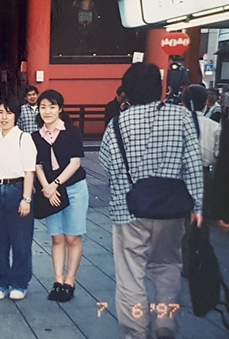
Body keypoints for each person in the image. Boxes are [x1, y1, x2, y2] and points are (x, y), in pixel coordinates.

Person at [98, 62, 203, 339]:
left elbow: (105, 163)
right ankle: (165, 324)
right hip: (171, 209)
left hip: (128, 209)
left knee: (131, 275)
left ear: (128, 92)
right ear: (159, 89)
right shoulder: (181, 118)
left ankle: (136, 332)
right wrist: (199, 205)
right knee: (168, 268)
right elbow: (193, 163)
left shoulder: (118, 122)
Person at [31, 89, 88, 303]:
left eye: (52, 107)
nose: (47, 111)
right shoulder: (35, 137)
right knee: (56, 237)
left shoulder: (72, 132)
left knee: (72, 237)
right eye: (43, 107)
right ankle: (57, 280)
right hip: (50, 191)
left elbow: (76, 163)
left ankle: (70, 280)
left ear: (60, 109)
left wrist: (54, 185)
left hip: (73, 188)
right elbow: (36, 165)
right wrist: (46, 187)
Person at [0, 98, 37, 301]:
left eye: (8, 113)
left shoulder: (23, 139)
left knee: (20, 240)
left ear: (15, 115)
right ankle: (0, 282)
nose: (4, 117)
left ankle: (19, 282)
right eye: (0, 112)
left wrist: (26, 198)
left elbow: (29, 171)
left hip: (17, 190)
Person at [182, 85, 220, 232]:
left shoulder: (175, 124)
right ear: (205, 101)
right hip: (203, 174)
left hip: (179, 174)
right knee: (200, 218)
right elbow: (218, 155)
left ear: (183, 102)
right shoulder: (215, 127)